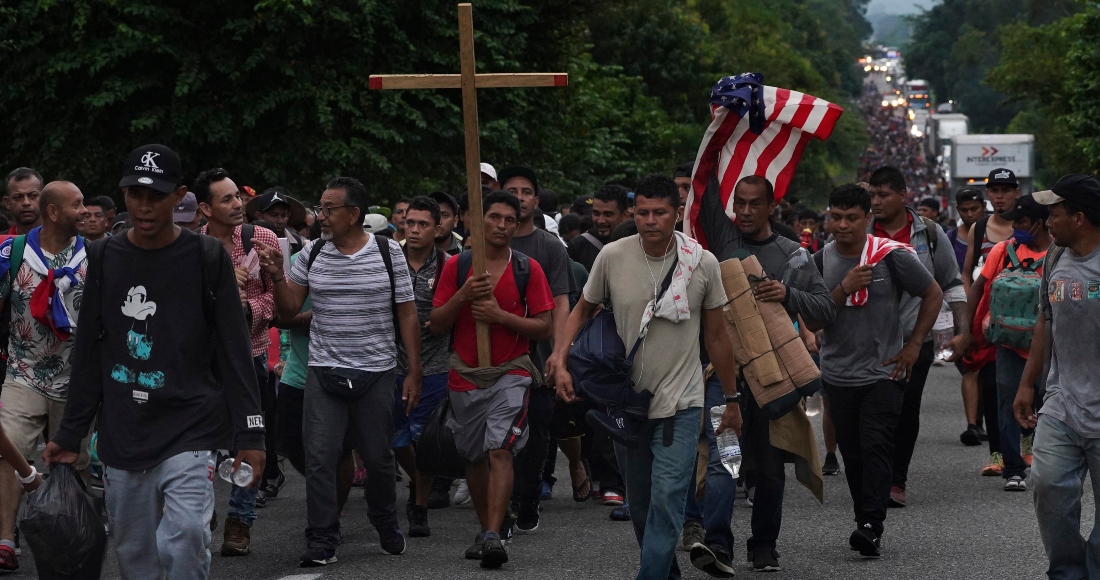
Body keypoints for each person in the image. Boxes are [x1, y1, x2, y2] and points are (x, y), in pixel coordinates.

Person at [44, 144, 266, 580]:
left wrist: (251, 433)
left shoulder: (206, 257)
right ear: (123, 195)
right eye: (134, 195)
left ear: (178, 196)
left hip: (191, 423)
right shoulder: (105, 256)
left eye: (156, 195)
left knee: (185, 536)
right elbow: (89, 348)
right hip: (125, 429)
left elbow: (234, 350)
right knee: (136, 554)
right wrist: (71, 432)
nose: (144, 206)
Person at [550, 174, 742, 580]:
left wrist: (732, 398)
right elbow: (582, 309)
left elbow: (718, 336)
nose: (651, 220)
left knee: (669, 498)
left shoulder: (701, 262)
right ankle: (664, 570)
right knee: (639, 503)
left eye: (660, 213)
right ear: (633, 213)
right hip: (626, 403)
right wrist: (560, 358)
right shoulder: (613, 256)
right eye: (643, 213)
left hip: (682, 403)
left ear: (677, 214)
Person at [255, 176, 422, 567]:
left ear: (354, 214)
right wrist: (278, 275)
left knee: (379, 459)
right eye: (321, 207)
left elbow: (407, 313)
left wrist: (412, 371)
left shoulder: (387, 253)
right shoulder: (311, 253)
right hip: (324, 372)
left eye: (330, 209)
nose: (321, 216)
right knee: (320, 458)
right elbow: (288, 311)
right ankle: (322, 539)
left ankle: (385, 522)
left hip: (376, 372)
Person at [690, 175, 836, 573]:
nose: (746, 211)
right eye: (740, 203)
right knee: (726, 459)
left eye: (756, 204)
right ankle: (718, 543)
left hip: (776, 376)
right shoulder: (721, 243)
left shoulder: (794, 256)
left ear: (773, 207)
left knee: (770, 468)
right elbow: (704, 186)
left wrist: (787, 295)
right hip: (726, 375)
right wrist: (722, 124)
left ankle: (764, 545)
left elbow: (825, 310)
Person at [812, 184, 941, 558]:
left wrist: (914, 344)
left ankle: (871, 524)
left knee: (876, 445)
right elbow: (811, 316)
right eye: (836, 217)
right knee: (852, 453)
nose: (843, 225)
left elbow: (932, 293)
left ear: (868, 218)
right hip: (838, 375)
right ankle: (863, 519)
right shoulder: (819, 260)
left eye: (852, 217)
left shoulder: (889, 256)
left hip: (883, 373)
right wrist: (843, 288)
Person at [429, 191, 555, 569]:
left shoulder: (527, 268)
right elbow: (436, 324)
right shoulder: (458, 267)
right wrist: (464, 295)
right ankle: (486, 528)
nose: (501, 225)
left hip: (511, 372)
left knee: (500, 448)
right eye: (494, 217)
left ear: (517, 226)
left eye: (509, 220)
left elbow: (543, 326)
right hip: (465, 374)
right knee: (473, 455)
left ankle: (494, 534)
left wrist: (501, 316)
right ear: (476, 221)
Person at [1014, 174, 1100, 578]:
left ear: (1079, 218)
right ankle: (1067, 571)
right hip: (1062, 404)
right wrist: (1028, 384)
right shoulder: (1054, 259)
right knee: (1047, 486)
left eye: (1054, 213)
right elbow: (1044, 323)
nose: (1046, 221)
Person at [0, 181, 88, 571]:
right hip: (22, 372)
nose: (84, 211)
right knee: (9, 448)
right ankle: (5, 540)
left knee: (75, 463)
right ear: (54, 213)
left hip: (77, 380)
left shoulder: (96, 255)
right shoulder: (11, 253)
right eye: (77, 205)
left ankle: (75, 539)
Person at [867, 166, 966, 508]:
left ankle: (896, 481)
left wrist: (962, 332)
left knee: (904, 409)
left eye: (883, 195)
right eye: (872, 195)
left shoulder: (930, 233)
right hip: (867, 341)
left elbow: (952, 283)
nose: (876, 202)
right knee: (870, 413)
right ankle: (872, 474)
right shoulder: (859, 231)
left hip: (916, 339)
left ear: (902, 195)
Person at [193, 168, 279, 555]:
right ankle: (200, 508)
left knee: (249, 439)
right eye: (226, 199)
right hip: (203, 362)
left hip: (252, 355)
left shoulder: (261, 238)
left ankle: (240, 522)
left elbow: (277, 301)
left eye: (237, 197)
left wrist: (245, 307)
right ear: (204, 208)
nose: (237, 205)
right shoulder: (191, 247)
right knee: (201, 442)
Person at [497, 165, 579, 533]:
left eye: (525, 191)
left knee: (534, 440)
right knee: (496, 440)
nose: (519, 197)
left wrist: (558, 354)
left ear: (535, 198)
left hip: (538, 358)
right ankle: (501, 506)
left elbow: (562, 302)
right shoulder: (484, 243)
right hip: (495, 360)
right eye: (510, 190)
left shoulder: (549, 246)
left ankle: (527, 500)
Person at [960, 194, 1050, 491]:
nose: (1016, 228)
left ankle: (1045, 459)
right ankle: (1013, 469)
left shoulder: (1059, 254)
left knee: (1047, 403)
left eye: (1022, 222)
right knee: (1008, 404)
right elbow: (977, 289)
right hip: (1009, 344)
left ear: (1040, 223)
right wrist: (967, 330)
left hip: (1049, 347)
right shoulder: (1003, 250)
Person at [392, 196, 451, 538]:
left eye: (423, 224)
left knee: (426, 441)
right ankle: (417, 482)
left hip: (435, 366)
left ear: (437, 228)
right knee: (397, 440)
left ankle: (420, 506)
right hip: (390, 364)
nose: (414, 230)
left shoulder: (448, 265)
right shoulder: (388, 260)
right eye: (409, 223)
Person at [961, 168, 1021, 474]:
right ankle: (997, 452)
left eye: (1005, 190)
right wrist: (966, 319)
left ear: (1016, 192)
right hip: (987, 319)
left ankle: (1026, 442)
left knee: (1028, 381)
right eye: (994, 190)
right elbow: (968, 271)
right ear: (988, 195)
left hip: (1024, 317)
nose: (1000, 196)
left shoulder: (1027, 224)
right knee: (993, 383)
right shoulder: (980, 227)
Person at [947, 188, 989, 447]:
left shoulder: (992, 233)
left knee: (987, 369)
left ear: (982, 207)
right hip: (959, 309)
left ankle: (983, 419)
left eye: (974, 209)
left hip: (989, 309)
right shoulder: (950, 238)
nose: (970, 214)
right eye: (965, 210)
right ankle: (973, 424)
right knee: (969, 366)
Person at [568, 184, 630, 272]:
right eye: (596, 214)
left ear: (625, 215)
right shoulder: (577, 247)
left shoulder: (638, 245)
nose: (601, 221)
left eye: (608, 214)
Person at [246, 187, 308, 255]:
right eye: (273, 215)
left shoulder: (297, 243)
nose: (280, 221)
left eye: (284, 215)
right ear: (259, 216)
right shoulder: (247, 240)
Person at [3, 168, 43, 235]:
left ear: (44, 198)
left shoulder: (63, 241)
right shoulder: (2, 243)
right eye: (18, 197)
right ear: (7, 203)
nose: (26, 202)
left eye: (33, 195)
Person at [430, 191, 464, 255]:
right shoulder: (409, 248)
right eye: (434, 214)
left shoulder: (464, 248)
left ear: (455, 221)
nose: (439, 221)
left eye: (444, 215)